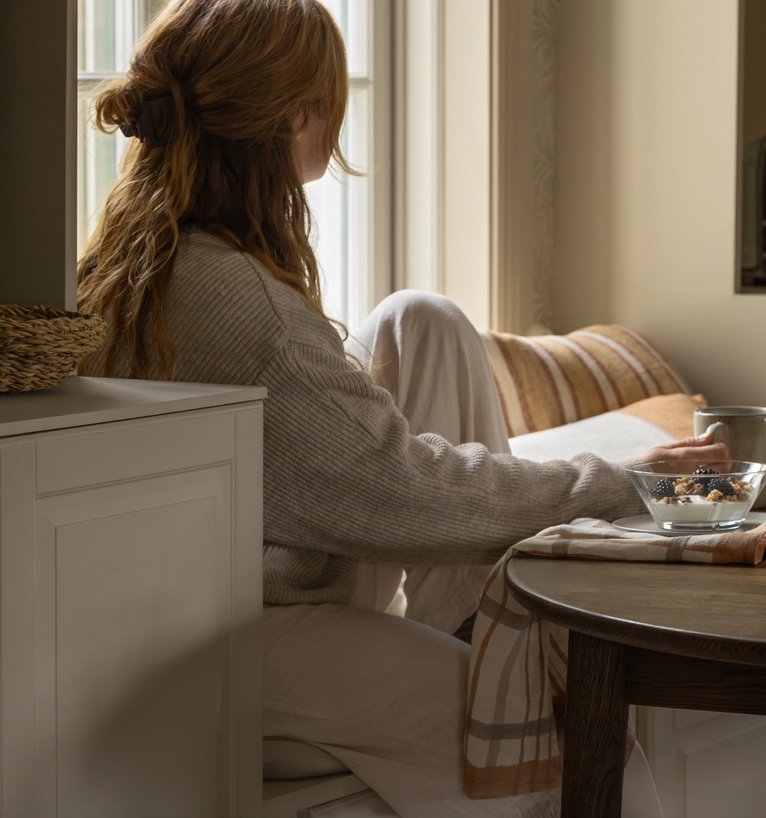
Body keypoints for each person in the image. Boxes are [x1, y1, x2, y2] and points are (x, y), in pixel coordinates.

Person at [76, 1, 724, 815]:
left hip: (205, 602)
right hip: (229, 637)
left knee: (422, 321)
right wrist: (620, 482)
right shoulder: (243, 309)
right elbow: (403, 487)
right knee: (576, 734)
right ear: (295, 116)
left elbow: (334, 439)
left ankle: (468, 614)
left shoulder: (144, 258)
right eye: (330, 102)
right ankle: (481, 638)